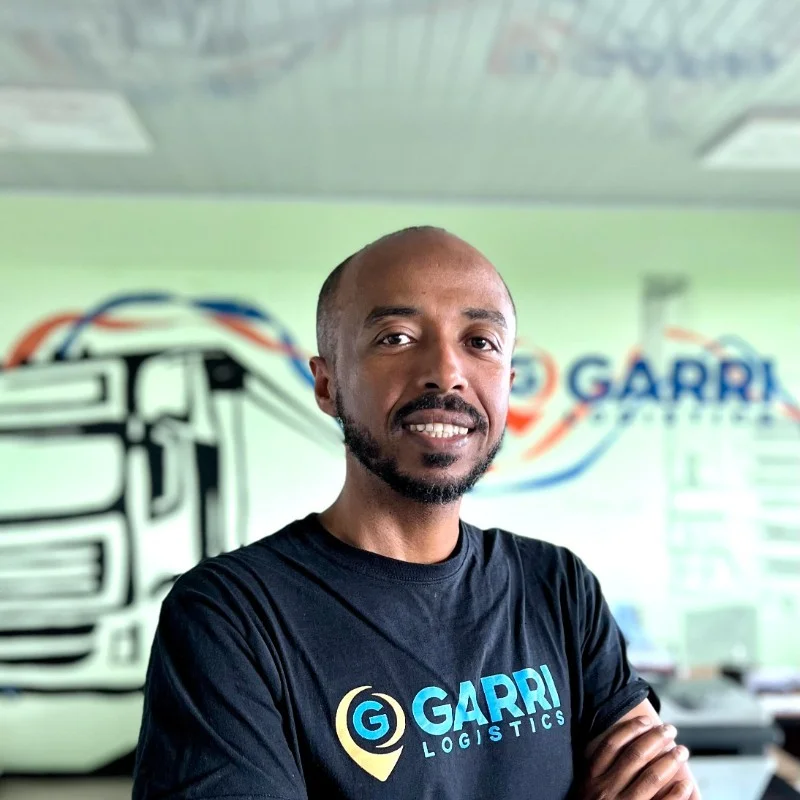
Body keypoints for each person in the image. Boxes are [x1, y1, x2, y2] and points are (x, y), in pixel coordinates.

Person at [133, 227, 699, 799]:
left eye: (481, 341)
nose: (446, 372)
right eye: (397, 337)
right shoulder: (232, 618)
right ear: (327, 384)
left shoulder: (559, 589)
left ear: (508, 381)